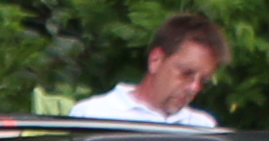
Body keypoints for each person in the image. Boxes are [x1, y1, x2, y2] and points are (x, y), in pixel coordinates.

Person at [69, 12, 228, 128]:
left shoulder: (202, 126)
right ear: (156, 60)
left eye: (203, 81)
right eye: (186, 73)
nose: (194, 87)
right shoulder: (94, 114)